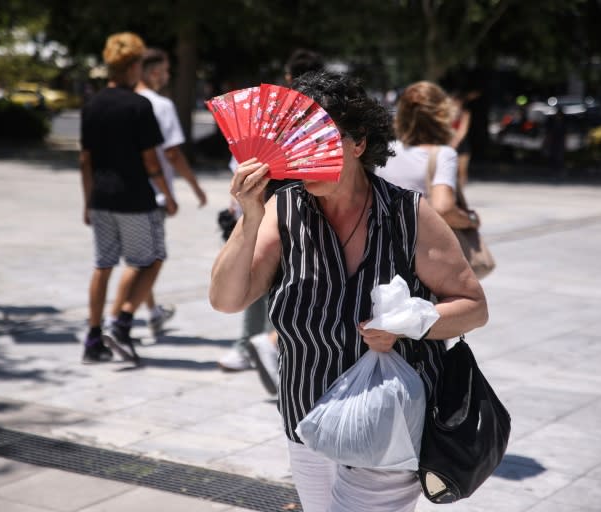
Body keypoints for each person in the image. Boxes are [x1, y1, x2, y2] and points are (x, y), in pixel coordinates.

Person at [209, 70, 488, 512]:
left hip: (389, 419)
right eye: (295, 144)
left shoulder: (409, 214)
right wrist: (249, 214)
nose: (304, 157)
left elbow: (474, 307)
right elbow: (227, 299)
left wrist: (411, 324)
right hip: (306, 416)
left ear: (358, 143)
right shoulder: (284, 209)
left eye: (320, 141)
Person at [216, 48, 325, 396]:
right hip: (303, 207)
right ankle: (274, 345)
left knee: (252, 276)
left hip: (263, 202)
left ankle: (250, 344)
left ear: (289, 78)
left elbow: (244, 165)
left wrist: (240, 208)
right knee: (294, 282)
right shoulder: (322, 119)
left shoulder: (270, 115)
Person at [79, 31, 177, 364]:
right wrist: (168, 194)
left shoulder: (92, 105)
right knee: (151, 258)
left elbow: (85, 159)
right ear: (135, 66)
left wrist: (87, 201)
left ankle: (93, 339)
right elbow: (152, 162)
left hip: (102, 198)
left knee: (103, 265)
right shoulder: (139, 105)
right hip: (135, 197)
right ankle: (121, 322)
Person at [107, 47, 207, 336]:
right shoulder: (160, 105)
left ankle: (151, 313)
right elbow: (172, 154)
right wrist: (194, 187)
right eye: (165, 70)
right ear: (152, 72)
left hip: (120, 192)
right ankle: (116, 322)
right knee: (146, 261)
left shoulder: (121, 102)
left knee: (138, 259)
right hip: (150, 195)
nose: (167, 76)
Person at [377, 81, 481, 231]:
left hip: (389, 243)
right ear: (442, 115)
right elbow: (443, 209)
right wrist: (470, 220)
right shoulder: (443, 155)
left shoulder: (386, 150)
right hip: (425, 247)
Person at [449, 89, 477, 188]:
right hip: (448, 142)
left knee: (462, 170)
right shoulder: (446, 113)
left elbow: (463, 130)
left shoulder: (465, 113)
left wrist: (455, 141)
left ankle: (461, 191)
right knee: (450, 169)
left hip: (461, 144)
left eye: (457, 101)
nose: (455, 103)